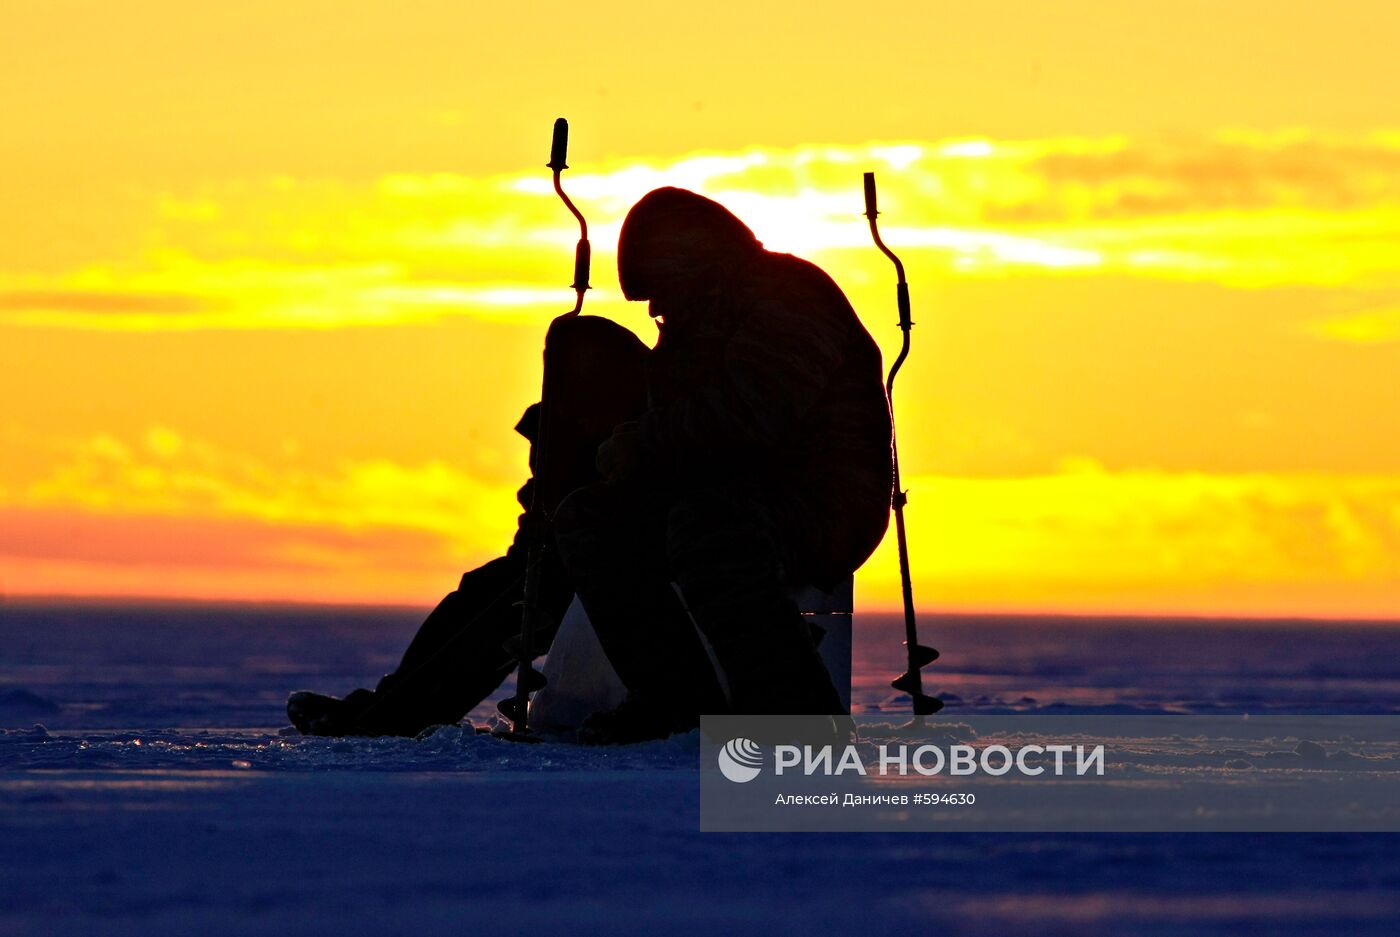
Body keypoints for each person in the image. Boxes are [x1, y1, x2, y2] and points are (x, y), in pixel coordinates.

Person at [288, 187, 892, 742]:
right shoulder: (697, 327)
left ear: (698, 270)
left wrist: (639, 447)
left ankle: (794, 725)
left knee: (708, 528)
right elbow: (673, 422)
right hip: (725, 491)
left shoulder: (790, 298)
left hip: (822, 501)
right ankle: (396, 714)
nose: (658, 311)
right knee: (575, 534)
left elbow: (748, 414)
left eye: (663, 294)